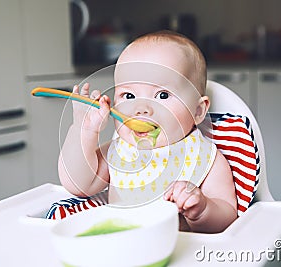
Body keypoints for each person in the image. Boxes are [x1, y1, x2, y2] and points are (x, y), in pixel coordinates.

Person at [58, 30, 237, 233]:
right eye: (129, 95)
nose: (141, 108)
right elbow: (78, 184)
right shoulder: (120, 150)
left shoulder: (205, 158)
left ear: (197, 111)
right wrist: (83, 130)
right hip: (121, 246)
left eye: (162, 95)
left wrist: (202, 209)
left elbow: (228, 215)